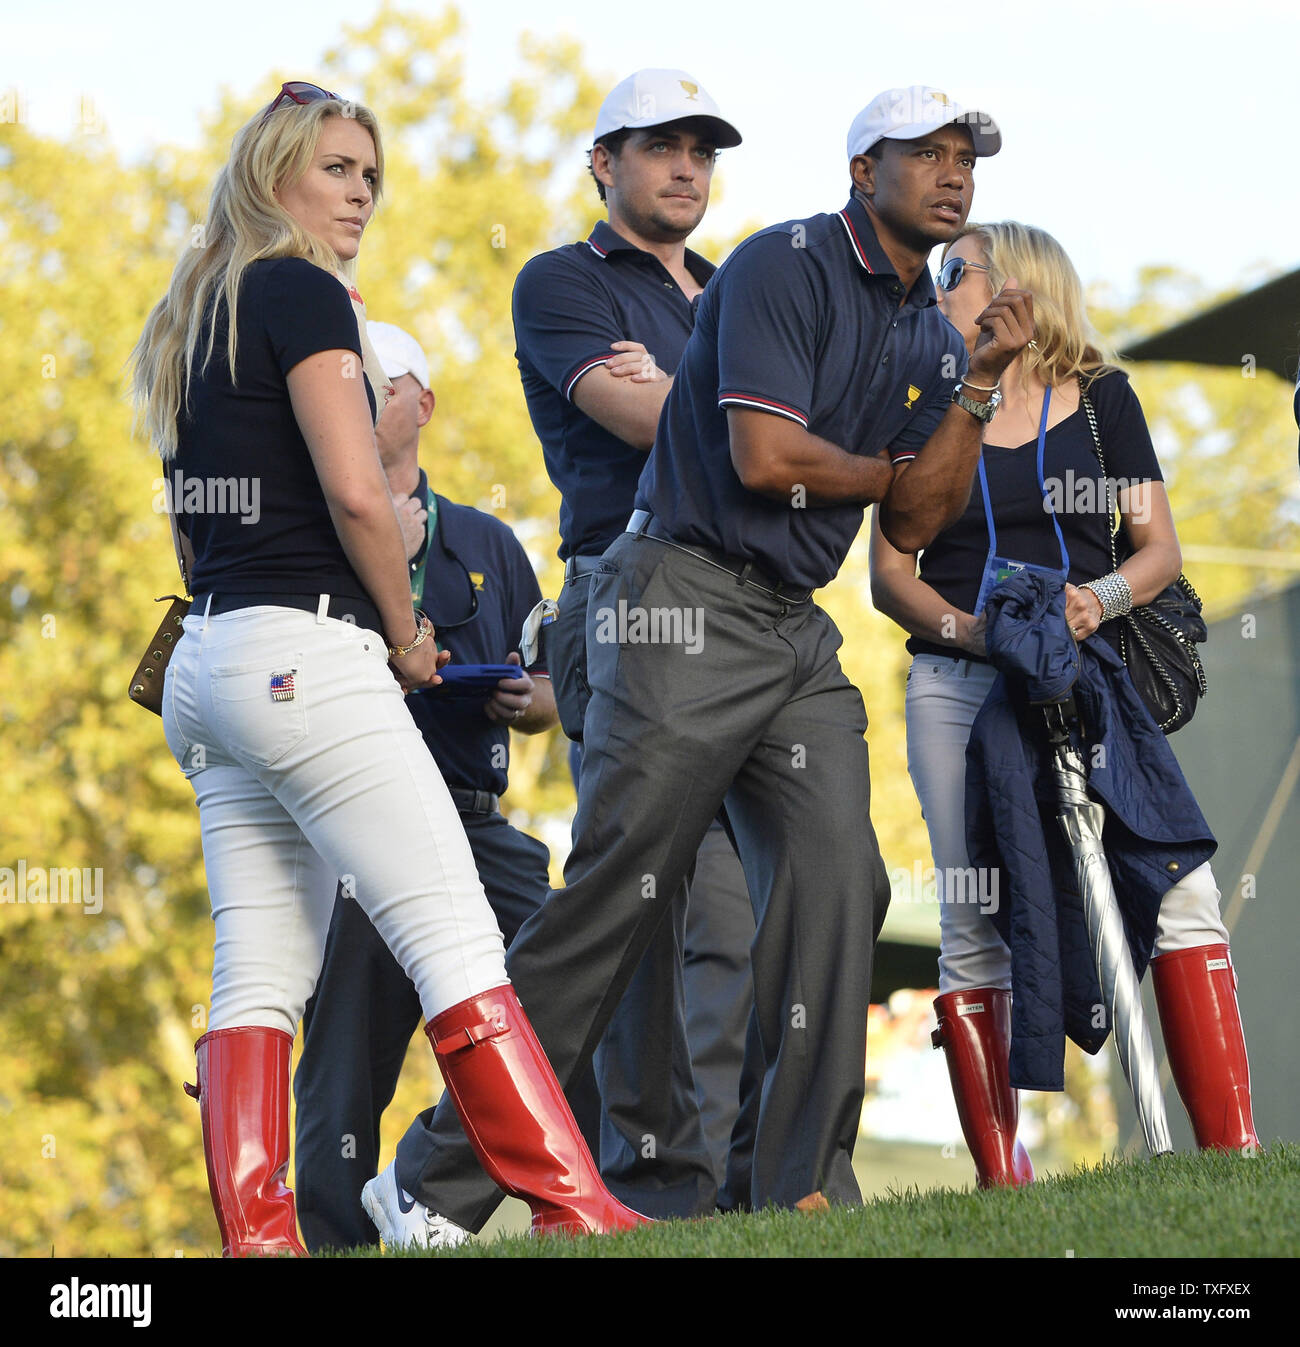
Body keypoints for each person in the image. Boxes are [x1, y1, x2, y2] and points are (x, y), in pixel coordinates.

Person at [389, 84, 1035, 1225]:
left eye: (964, 160)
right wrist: (887, 463)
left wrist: (976, 387)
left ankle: (799, 1194)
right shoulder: (779, 265)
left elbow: (917, 524)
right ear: (860, 173)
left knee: (842, 880)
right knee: (618, 902)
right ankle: (430, 1181)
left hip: (791, 625)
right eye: (923, 155)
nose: (952, 175)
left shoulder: (934, 338)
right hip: (673, 599)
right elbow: (760, 454)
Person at [129, 82, 643, 1255]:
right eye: (337, 167)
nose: (360, 191)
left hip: (209, 667)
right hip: (308, 656)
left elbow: (190, 525)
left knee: (256, 972)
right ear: (276, 174)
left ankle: (261, 1242)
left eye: (370, 172)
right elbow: (360, 488)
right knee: (456, 935)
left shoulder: (190, 313)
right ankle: (575, 1206)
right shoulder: (302, 289)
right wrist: (412, 635)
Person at [371, 68, 757, 1232]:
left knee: (739, 917)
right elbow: (654, 424)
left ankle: (710, 1189)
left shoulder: (740, 289)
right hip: (628, 600)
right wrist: (740, 403)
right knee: (629, 907)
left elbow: (795, 427)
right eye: (659, 146)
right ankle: (606, 1178)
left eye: (702, 148)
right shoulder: (561, 281)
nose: (686, 166)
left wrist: (706, 392)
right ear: (605, 162)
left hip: (756, 611)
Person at [869, 220, 1260, 1187]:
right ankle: (1006, 1181)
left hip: (1090, 675)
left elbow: (1157, 549)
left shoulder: (1104, 401)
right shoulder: (921, 402)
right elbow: (888, 574)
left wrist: (1094, 603)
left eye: (955, 273)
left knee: (1180, 886)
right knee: (973, 908)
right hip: (959, 681)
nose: (938, 286)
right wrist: (974, 634)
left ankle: (1233, 1153)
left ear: (1017, 289)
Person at [291, 320, 604, 1250]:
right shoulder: (316, 526)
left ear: (420, 402)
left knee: (567, 981)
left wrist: (526, 699)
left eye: (379, 387)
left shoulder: (487, 540)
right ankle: (336, 1240)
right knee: (343, 1065)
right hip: (357, 824)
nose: (358, 403)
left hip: (474, 822)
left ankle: (576, 1202)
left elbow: (550, 686)